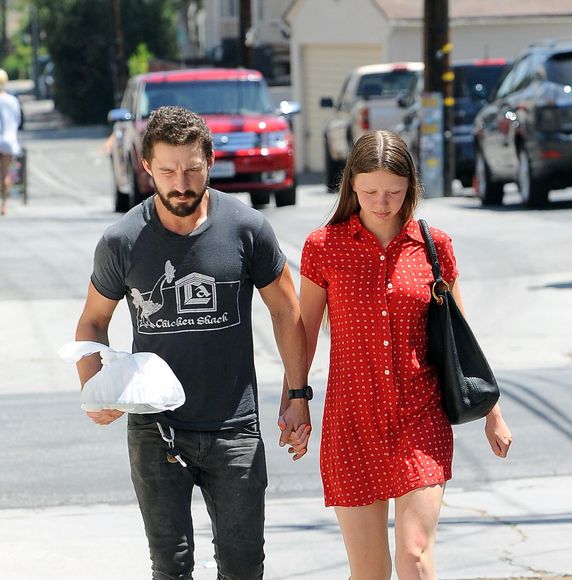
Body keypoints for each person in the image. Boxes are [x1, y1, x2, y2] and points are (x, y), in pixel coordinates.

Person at [74, 106, 311, 580]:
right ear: (146, 166)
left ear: (210, 161)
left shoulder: (247, 228)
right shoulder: (122, 241)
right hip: (154, 430)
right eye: (167, 170)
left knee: (244, 567)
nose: (180, 183)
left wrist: (298, 393)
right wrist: (94, 390)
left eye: (192, 169)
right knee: (172, 566)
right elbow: (93, 322)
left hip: (235, 428)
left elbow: (287, 310)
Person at [299, 130, 512, 580]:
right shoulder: (325, 247)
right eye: (370, 191)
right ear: (351, 185)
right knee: (370, 571)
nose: (381, 202)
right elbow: (305, 333)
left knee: (414, 555)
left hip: (420, 416)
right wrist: (295, 399)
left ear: (411, 186)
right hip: (352, 420)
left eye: (393, 192)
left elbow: (460, 338)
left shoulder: (434, 247)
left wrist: (492, 410)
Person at [0, 69, 22, 216]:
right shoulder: (13, 100)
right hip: (8, 140)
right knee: (5, 174)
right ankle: (5, 205)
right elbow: (18, 120)